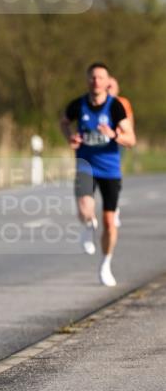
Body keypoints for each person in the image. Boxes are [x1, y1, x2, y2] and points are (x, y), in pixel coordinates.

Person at [60, 62, 136, 287]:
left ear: (107, 81)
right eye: (92, 77)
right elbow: (64, 122)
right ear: (88, 80)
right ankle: (87, 226)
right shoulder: (78, 105)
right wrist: (70, 137)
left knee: (109, 222)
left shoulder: (115, 107)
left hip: (110, 169)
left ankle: (106, 264)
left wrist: (113, 134)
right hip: (85, 165)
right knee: (85, 209)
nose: (96, 81)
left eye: (100, 78)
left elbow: (131, 139)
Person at [106, 76, 135, 228]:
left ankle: (113, 206)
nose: (109, 88)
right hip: (99, 144)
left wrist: (128, 138)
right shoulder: (97, 102)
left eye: (112, 86)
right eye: (107, 85)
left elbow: (129, 122)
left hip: (118, 142)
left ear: (117, 88)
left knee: (114, 171)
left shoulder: (123, 103)